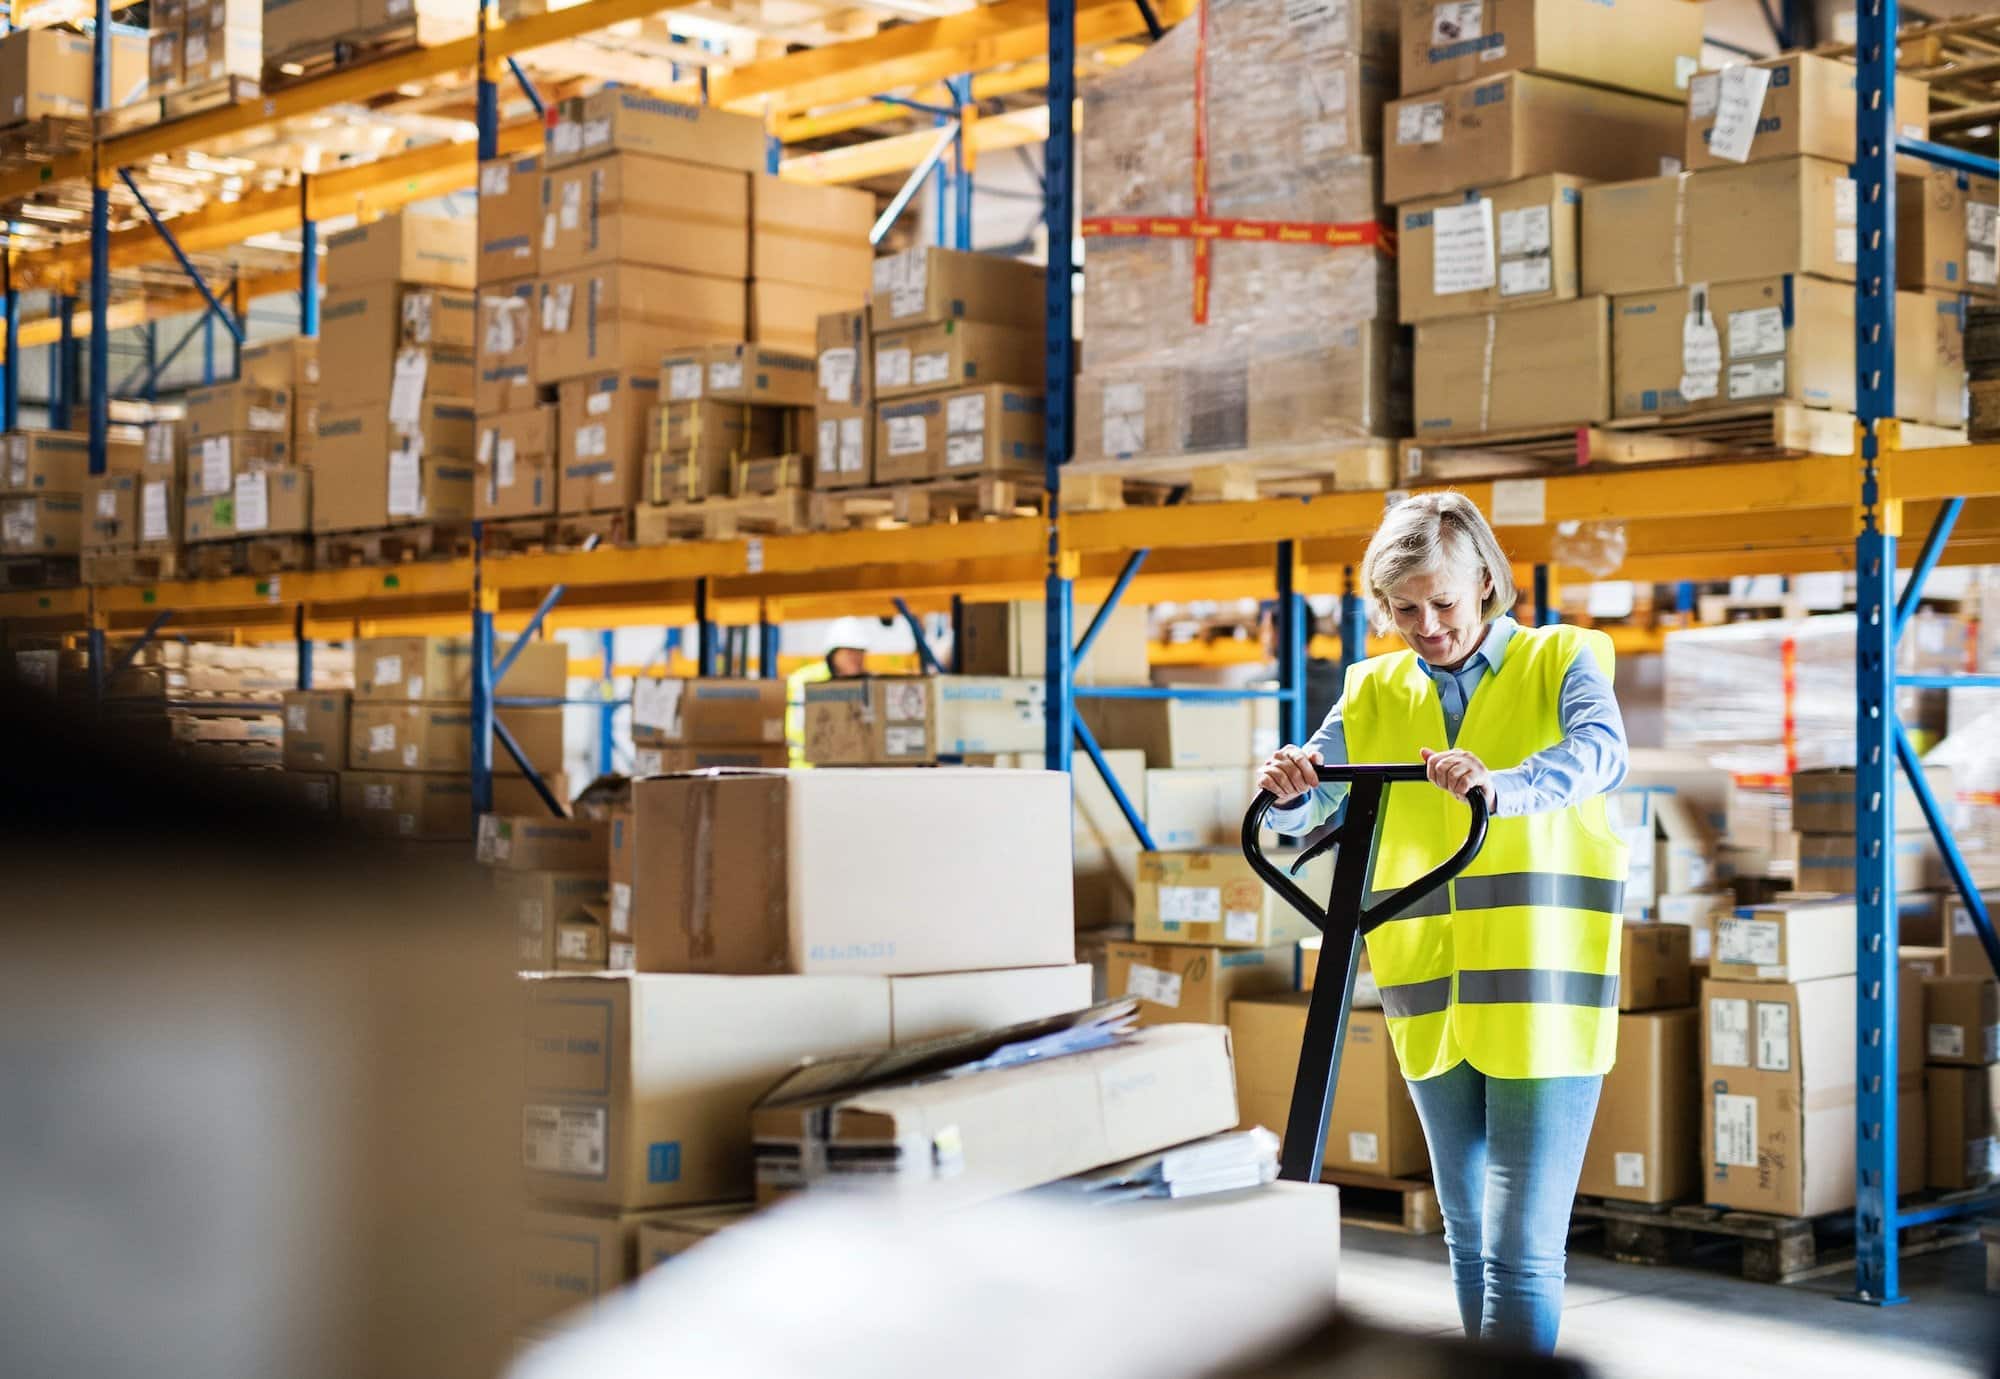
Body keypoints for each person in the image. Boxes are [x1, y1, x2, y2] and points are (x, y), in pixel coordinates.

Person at [1254, 492, 1629, 1354]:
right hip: (1429, 994)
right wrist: (1288, 788)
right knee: (1467, 1241)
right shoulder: (1373, 689)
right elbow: (1313, 803)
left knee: (1522, 1252)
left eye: (1444, 602)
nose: (1427, 625)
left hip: (1542, 1001)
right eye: (1405, 609)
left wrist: (1503, 785)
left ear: (1487, 581)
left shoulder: (1564, 657)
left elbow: (1601, 751)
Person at [786, 617, 873, 766]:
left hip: (852, 768)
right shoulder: (806, 680)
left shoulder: (869, 684)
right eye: (850, 651)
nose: (856, 658)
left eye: (860, 652)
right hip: (809, 769)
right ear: (833, 653)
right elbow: (797, 729)